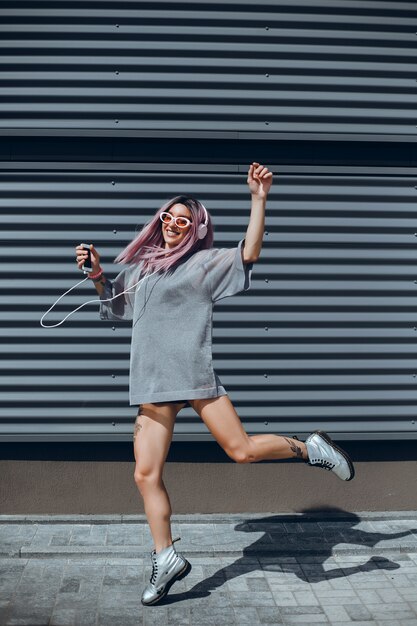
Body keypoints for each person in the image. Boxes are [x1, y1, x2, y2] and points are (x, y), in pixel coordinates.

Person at [75, 162, 355, 607]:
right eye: (167, 217)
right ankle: (165, 557)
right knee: (145, 474)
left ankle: (310, 448)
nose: (171, 225)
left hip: (194, 376)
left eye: (182, 220)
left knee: (240, 451)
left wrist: (258, 199)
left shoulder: (205, 264)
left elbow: (250, 252)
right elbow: (113, 312)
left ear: (194, 228)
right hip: (151, 383)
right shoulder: (140, 269)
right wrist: (96, 278)